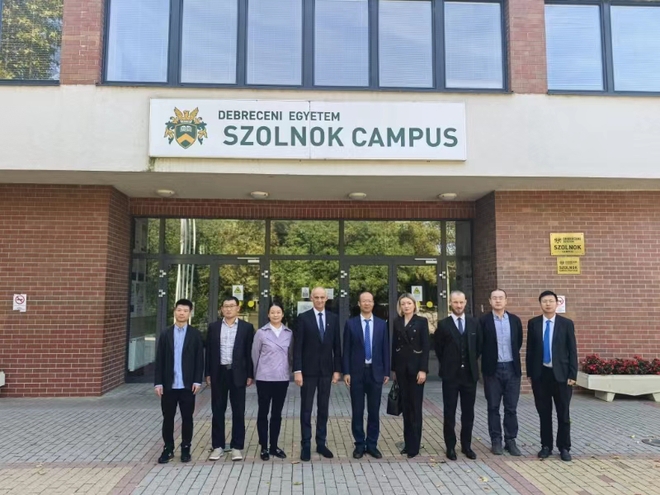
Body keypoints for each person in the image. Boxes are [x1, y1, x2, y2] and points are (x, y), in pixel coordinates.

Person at [527, 290, 578, 462]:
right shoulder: (533, 323)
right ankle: (546, 446)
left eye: (551, 301)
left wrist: (573, 374)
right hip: (541, 375)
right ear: (540, 304)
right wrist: (530, 373)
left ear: (557, 303)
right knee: (544, 413)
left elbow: (572, 350)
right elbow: (530, 350)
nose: (547, 304)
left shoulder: (566, 324)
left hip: (562, 375)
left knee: (563, 414)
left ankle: (564, 447)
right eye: (544, 301)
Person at [293, 287, 342, 462]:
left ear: (326, 298)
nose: (319, 300)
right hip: (308, 372)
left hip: (326, 372)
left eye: (322, 297)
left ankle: (321, 443)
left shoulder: (333, 318)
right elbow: (298, 346)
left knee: (323, 408)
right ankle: (306, 444)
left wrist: (337, 370)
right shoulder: (303, 318)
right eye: (316, 297)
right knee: (306, 409)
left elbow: (337, 346)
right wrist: (297, 371)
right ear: (311, 299)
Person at [153, 299, 204, 464]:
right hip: (169, 385)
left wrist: (197, 380)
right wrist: (158, 383)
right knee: (168, 418)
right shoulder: (166, 334)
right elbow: (159, 360)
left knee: (187, 418)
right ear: (174, 311)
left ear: (190, 313)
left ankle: (186, 448)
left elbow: (199, 359)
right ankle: (168, 448)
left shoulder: (195, 334)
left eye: (185, 311)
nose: (182, 313)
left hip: (187, 385)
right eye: (179, 310)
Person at [206, 296, 255, 462]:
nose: (228, 309)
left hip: (238, 373)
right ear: (221, 309)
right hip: (218, 372)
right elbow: (209, 352)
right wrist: (208, 373)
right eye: (225, 306)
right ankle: (218, 446)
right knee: (217, 410)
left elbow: (249, 353)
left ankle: (236, 447)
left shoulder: (247, 328)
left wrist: (250, 374)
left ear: (238, 308)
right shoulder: (213, 327)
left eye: (231, 306)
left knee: (238, 411)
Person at [343, 292, 390, 459]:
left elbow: (385, 348)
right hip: (357, 373)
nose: (367, 303)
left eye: (369, 301)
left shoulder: (382, 324)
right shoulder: (351, 324)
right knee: (357, 411)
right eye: (364, 301)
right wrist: (346, 371)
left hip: (375, 372)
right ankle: (359, 445)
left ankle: (372, 444)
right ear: (359, 303)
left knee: (374, 411)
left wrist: (386, 371)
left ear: (373, 303)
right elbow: (346, 350)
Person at [435, 290, 481, 461]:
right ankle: (450, 446)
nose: (459, 305)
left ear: (466, 302)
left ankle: (466, 446)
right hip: (450, 376)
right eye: (455, 302)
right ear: (450, 303)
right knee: (450, 412)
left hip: (469, 375)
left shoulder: (474, 323)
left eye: (461, 302)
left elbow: (478, 347)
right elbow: (439, 349)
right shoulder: (443, 324)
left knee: (468, 413)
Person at [478, 289, 523, 456]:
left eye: (501, 298)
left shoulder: (515, 320)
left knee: (511, 408)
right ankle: (496, 440)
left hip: (512, 369)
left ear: (506, 301)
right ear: (490, 301)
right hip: (492, 370)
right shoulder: (483, 321)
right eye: (495, 298)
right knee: (493, 407)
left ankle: (510, 440)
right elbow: (480, 344)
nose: (498, 301)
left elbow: (518, 342)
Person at [252, 303, 293, 461]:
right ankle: (264, 446)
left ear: (282, 314)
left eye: (278, 312)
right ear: (268, 315)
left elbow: (291, 356)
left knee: (277, 413)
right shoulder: (261, 333)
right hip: (264, 378)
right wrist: (256, 374)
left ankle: (274, 446)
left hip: (281, 379)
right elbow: (255, 355)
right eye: (272, 312)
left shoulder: (289, 333)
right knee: (263, 412)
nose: (275, 315)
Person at [391, 293, 429, 459]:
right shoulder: (397, 321)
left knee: (415, 408)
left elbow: (426, 346)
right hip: (401, 369)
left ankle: (415, 446)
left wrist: (423, 369)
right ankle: (407, 443)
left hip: (416, 370)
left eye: (409, 303)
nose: (406, 306)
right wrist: (393, 369)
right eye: (403, 304)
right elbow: (395, 345)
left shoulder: (421, 321)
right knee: (405, 407)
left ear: (414, 305)